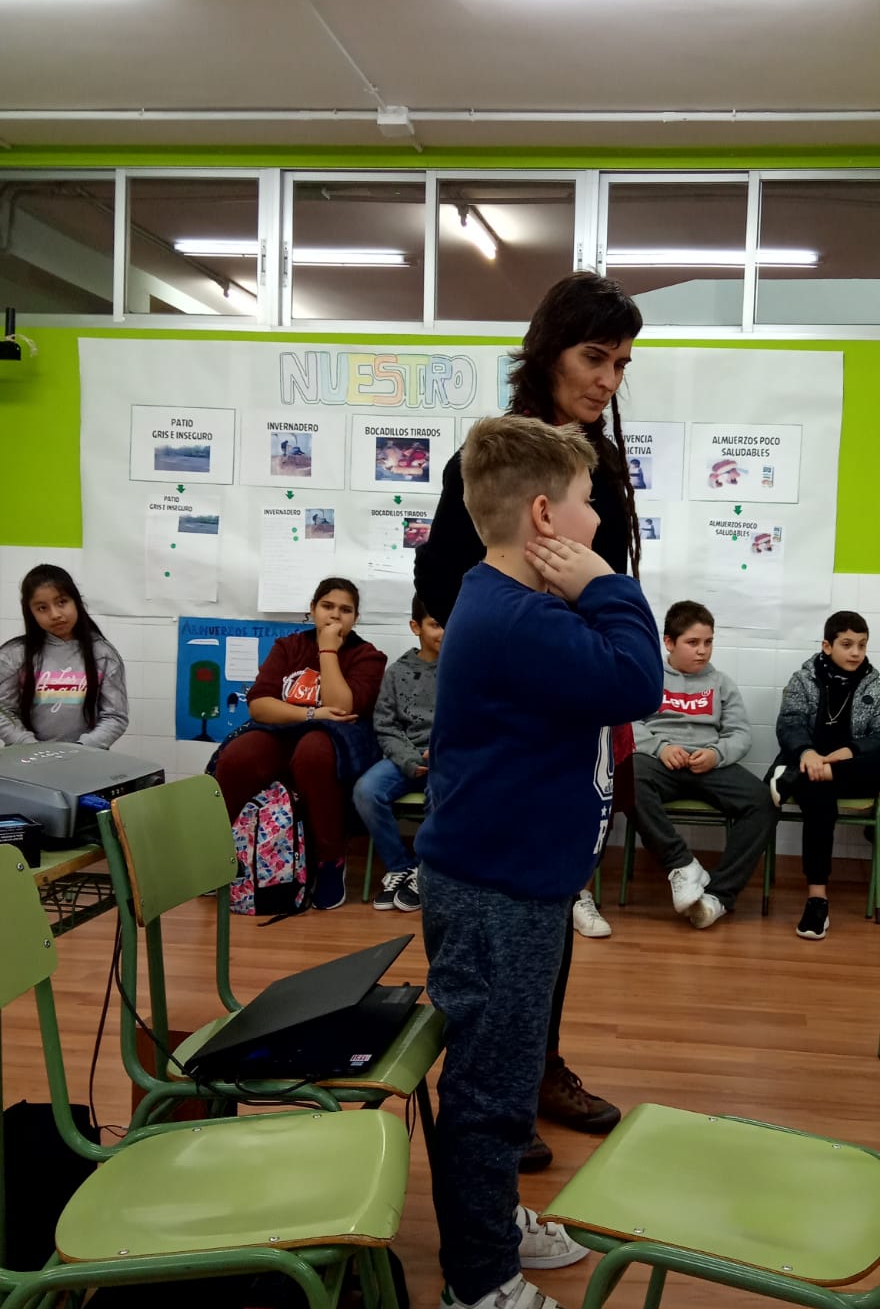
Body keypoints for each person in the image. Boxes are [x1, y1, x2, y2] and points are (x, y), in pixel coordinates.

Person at [415, 415, 662, 1309]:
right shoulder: (516, 618)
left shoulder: (510, 605)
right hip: (495, 893)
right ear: (548, 517)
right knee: (488, 1090)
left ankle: (492, 1221)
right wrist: (605, 581)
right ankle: (476, 1289)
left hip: (516, 882)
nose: (600, 522)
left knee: (509, 1076)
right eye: (590, 504)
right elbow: (636, 679)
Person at [415, 269, 645, 1167]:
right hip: (521, 708)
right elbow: (441, 584)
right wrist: (516, 634)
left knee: (551, 893)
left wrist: (594, 627)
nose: (608, 381)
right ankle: (501, 1088)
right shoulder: (498, 460)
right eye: (595, 358)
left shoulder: (599, 464)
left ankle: (531, 1068)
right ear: (549, 351)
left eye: (621, 365)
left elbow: (608, 576)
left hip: (579, 696)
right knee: (505, 909)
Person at [211, 578, 385, 912]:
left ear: (356, 617)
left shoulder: (368, 656)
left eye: (345, 610)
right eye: (327, 606)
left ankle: (330, 860)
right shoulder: (288, 646)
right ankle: (223, 854)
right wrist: (312, 713)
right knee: (237, 757)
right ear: (312, 609)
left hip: (338, 737)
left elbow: (342, 708)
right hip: (284, 728)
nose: (335, 615)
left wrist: (327, 650)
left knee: (312, 753)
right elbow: (260, 704)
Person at [769, 611, 880, 940]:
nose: (856, 652)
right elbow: (789, 723)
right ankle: (817, 900)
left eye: (862, 644)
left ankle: (793, 777)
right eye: (847, 644)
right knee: (819, 797)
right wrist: (808, 753)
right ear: (827, 646)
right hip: (811, 767)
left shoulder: (874, 684)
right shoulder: (803, 680)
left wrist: (851, 751)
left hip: (855, 768)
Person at [631, 600, 773, 929]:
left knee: (762, 800)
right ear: (669, 642)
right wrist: (660, 748)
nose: (702, 651)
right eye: (693, 642)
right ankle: (682, 865)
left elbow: (740, 734)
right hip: (662, 763)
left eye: (708, 642)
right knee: (629, 776)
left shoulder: (721, 683)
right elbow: (627, 723)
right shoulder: (648, 676)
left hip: (709, 764)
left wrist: (716, 754)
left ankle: (718, 896)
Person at [352, 595, 443, 913]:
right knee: (366, 791)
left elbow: (472, 722)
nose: (444, 632)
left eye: (449, 623)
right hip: (405, 757)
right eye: (435, 624)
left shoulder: (464, 669)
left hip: (446, 759)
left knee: (442, 793)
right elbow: (385, 725)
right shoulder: (397, 672)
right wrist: (408, 759)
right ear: (416, 627)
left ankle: (427, 870)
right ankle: (401, 866)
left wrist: (440, 753)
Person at [0, 564, 128, 748]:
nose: (55, 614)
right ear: (31, 613)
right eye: (42, 608)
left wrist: (80, 750)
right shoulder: (13, 655)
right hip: (26, 757)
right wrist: (30, 747)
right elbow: (3, 711)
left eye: (62, 602)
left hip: (85, 757)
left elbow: (115, 716)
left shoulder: (103, 654)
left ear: (76, 601)